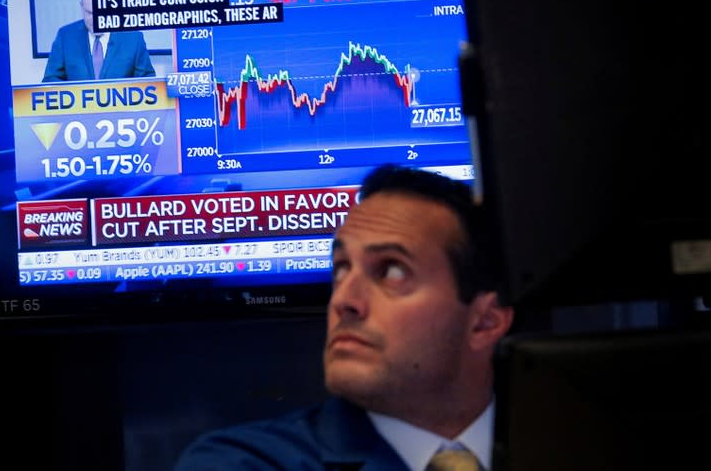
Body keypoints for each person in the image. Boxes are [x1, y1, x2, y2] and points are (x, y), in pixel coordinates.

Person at [174, 164, 515, 471]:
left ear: (484, 322)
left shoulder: (563, 443)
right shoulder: (241, 463)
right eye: (341, 270)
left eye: (391, 271)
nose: (343, 300)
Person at [42, 0, 155, 82]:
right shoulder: (65, 36)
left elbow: (148, 83)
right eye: (89, 13)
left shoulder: (133, 38)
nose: (96, 20)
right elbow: (50, 81)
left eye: (101, 12)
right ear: (81, 7)